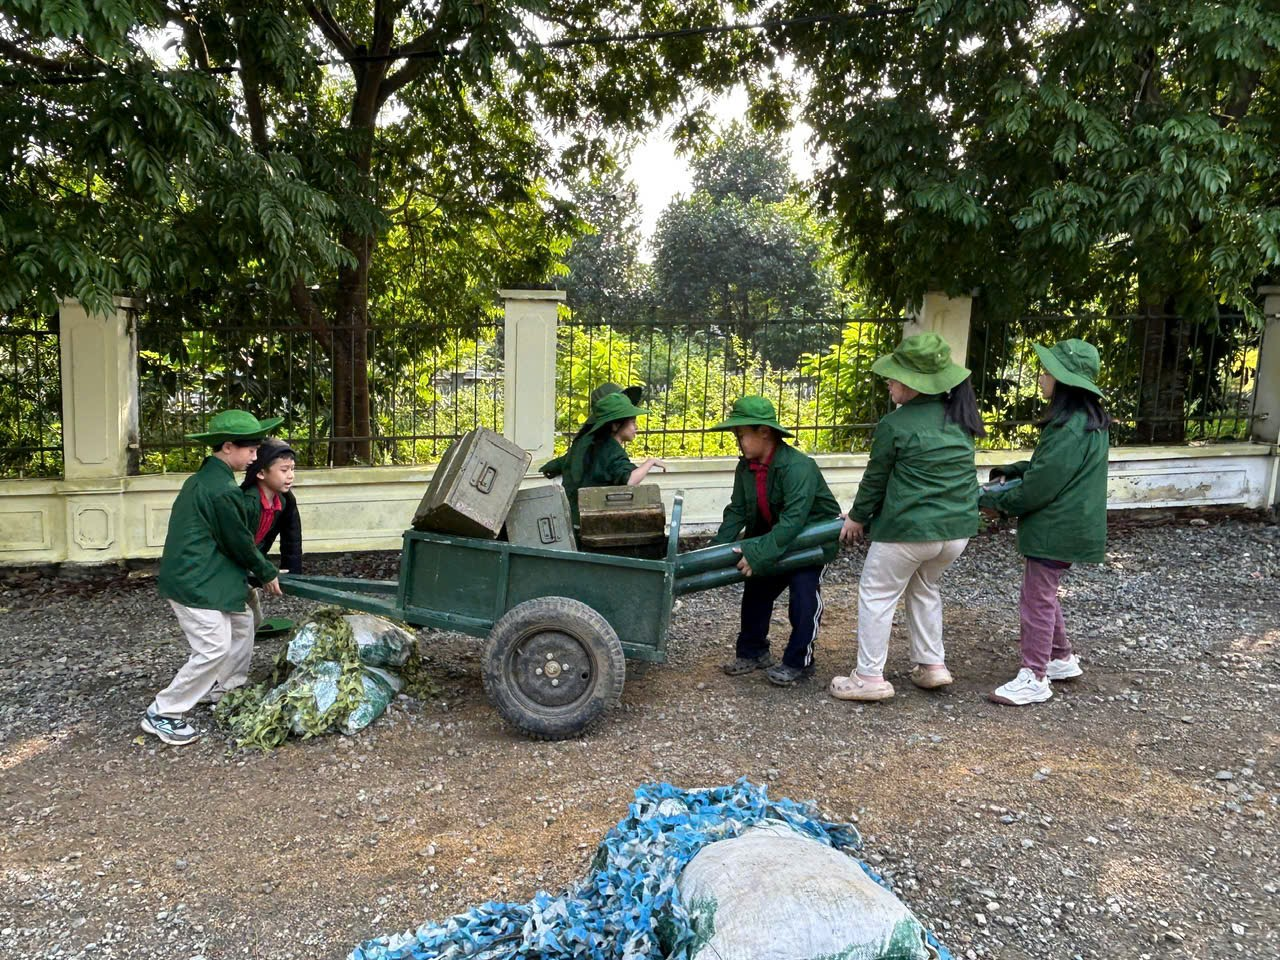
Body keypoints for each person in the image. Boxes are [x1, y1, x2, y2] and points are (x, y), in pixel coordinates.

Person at [829, 334, 983, 702]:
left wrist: (857, 518)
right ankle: (932, 665)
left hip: (910, 531)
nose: (888, 381)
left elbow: (876, 478)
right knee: (924, 587)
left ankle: (868, 677)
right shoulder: (959, 419)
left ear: (915, 383)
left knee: (877, 593)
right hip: (955, 534)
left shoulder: (895, 425)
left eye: (894, 375)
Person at [142, 410, 283, 746]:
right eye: (250, 450)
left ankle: (226, 689)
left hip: (205, 573)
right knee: (213, 648)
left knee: (242, 621)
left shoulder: (205, 480)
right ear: (228, 447)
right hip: (196, 580)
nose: (254, 456)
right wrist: (266, 572)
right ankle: (163, 711)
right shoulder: (221, 490)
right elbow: (238, 541)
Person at [981, 338, 1110, 706]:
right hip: (1071, 525)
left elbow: (1040, 487)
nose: (1041, 376)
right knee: (1045, 593)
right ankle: (1060, 658)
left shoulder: (1068, 428)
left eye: (1048, 371)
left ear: (1065, 381)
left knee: (1035, 599)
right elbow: (1048, 471)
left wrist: (997, 503)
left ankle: (1034, 676)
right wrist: (1012, 472)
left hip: (1054, 528)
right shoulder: (1087, 423)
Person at [710, 396, 842, 686]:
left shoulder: (798, 467)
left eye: (742, 434)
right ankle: (753, 652)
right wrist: (714, 550)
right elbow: (737, 510)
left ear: (764, 432)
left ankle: (799, 661)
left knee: (803, 595)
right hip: (777, 536)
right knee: (756, 589)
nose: (738, 441)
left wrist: (759, 553)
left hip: (810, 543)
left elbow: (794, 521)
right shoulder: (746, 467)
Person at [540, 390, 666, 526]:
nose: (636, 427)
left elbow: (566, 461)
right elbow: (630, 480)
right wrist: (650, 462)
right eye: (632, 422)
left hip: (574, 517)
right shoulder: (611, 449)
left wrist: (551, 467)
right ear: (615, 425)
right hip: (595, 522)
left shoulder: (592, 444)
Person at [241, 437, 302, 631]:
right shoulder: (247, 502)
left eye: (292, 469)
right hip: (228, 568)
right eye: (284, 470)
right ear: (260, 472)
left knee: (253, 620)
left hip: (247, 563)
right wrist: (263, 571)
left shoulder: (284, 501)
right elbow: (238, 542)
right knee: (239, 623)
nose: (290, 475)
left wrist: (292, 573)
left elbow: (292, 537)